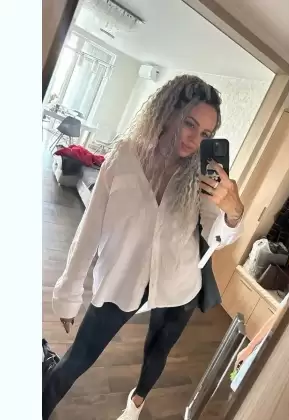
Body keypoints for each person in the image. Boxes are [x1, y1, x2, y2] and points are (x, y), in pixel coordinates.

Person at [42, 75, 244, 420]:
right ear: (168, 112)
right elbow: (90, 229)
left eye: (206, 134)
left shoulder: (202, 175)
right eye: (189, 123)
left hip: (179, 284)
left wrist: (233, 212)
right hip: (123, 279)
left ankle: (134, 408)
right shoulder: (125, 155)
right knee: (77, 359)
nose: (195, 139)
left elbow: (216, 237)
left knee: (158, 351)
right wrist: (69, 292)